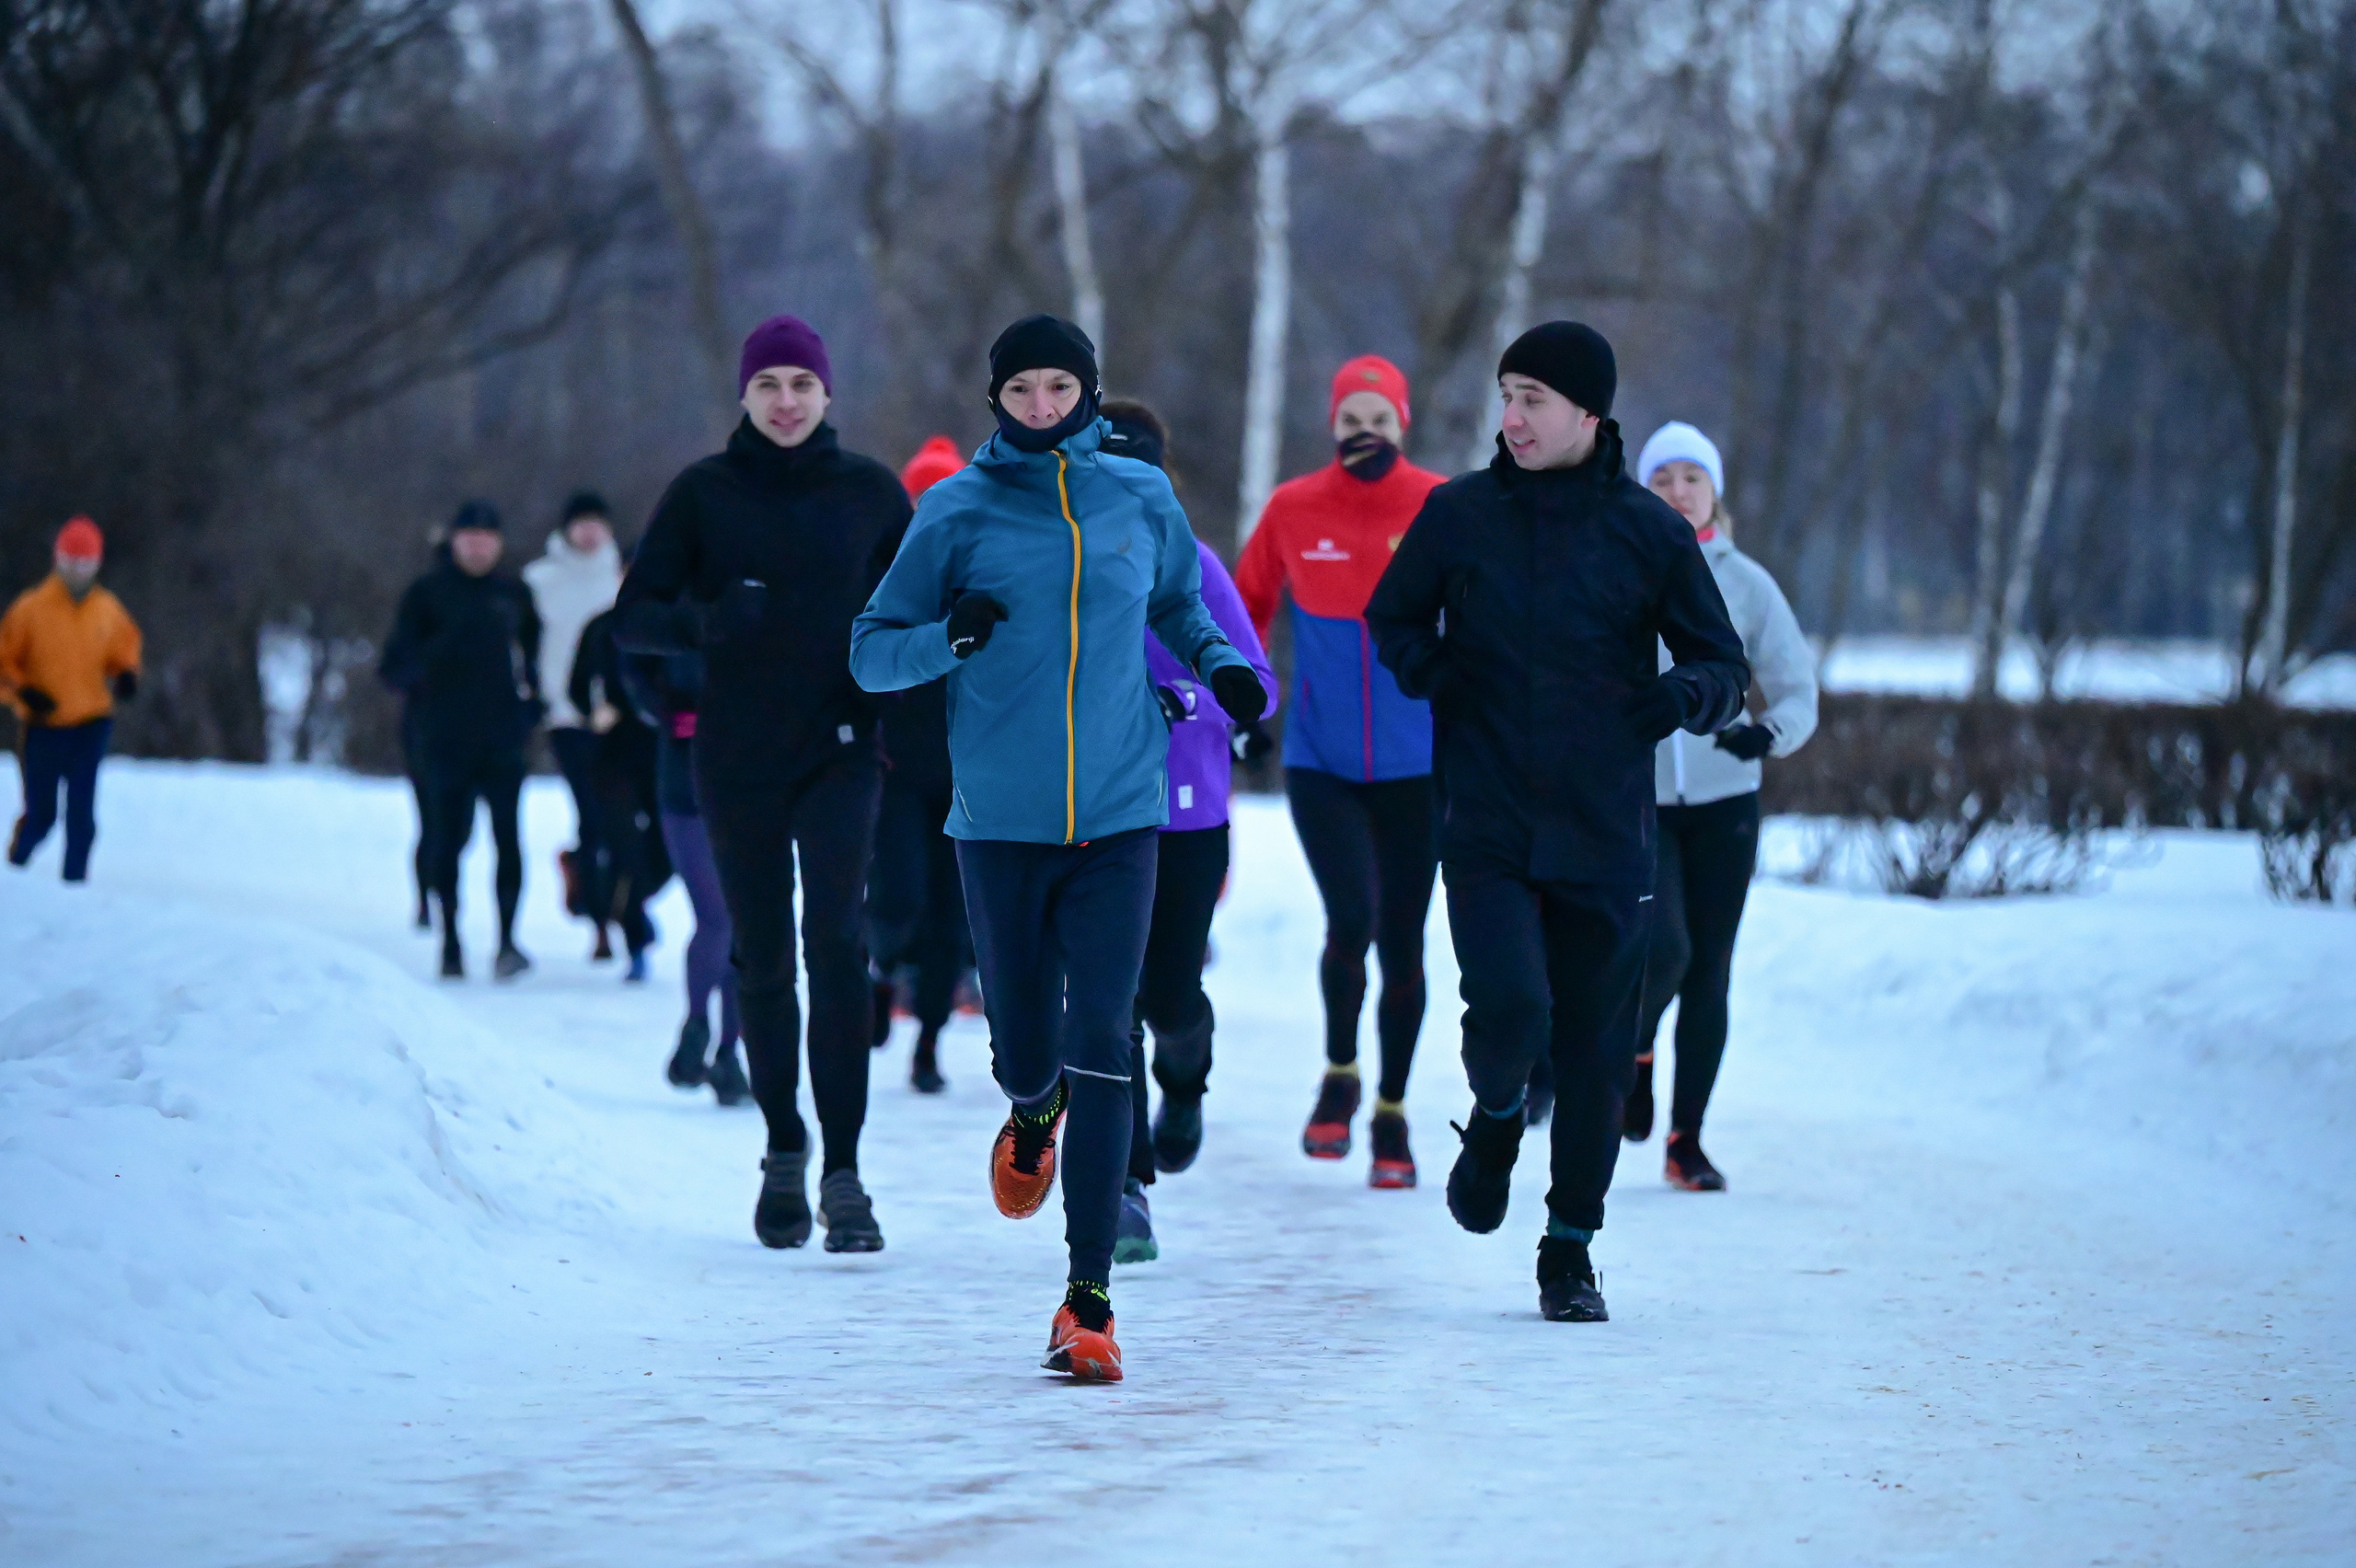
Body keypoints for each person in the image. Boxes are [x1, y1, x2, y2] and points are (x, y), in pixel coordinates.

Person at [850, 314, 1265, 1382]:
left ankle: (1088, 1302)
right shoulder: (954, 511)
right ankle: (1029, 1111)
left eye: (1060, 389)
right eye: (1022, 390)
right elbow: (870, 653)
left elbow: (1180, 604)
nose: (1043, 407)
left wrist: (1221, 668)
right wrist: (949, 639)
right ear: (996, 400)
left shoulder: (1140, 495)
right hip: (998, 822)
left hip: (1124, 816)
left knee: (1104, 1036)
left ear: (1089, 392)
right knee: (1028, 1050)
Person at [1366, 322, 1749, 1323]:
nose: (1513, 417)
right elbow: (1392, 617)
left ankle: (1569, 1248)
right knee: (1508, 1012)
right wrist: (1435, 675)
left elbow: (1720, 664)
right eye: (1506, 395)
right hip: (1487, 817)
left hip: (1604, 828)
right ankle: (1495, 1117)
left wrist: (1679, 700)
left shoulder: (1648, 531)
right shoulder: (1459, 517)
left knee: (1590, 1046)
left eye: (1534, 398)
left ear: (1589, 414)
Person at [614, 316, 909, 1255]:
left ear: (829, 394)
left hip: (840, 749)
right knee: (764, 957)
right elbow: (633, 619)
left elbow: (917, 611)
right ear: (743, 395)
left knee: (837, 943)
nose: (785, 401)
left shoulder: (869, 494)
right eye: (768, 384)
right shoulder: (703, 494)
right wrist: (704, 620)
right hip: (736, 756)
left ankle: (845, 1175)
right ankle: (785, 1147)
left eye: (801, 384)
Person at [1234, 355, 1446, 1187]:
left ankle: (1391, 1114)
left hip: (1418, 765)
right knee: (1349, 917)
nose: (1366, 434)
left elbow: (1485, 610)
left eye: (1380, 421)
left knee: (1402, 936)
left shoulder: (1437, 505)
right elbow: (1243, 608)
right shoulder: (1294, 507)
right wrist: (1249, 702)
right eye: (1352, 421)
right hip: (1321, 758)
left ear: (1404, 424)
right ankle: (1338, 1075)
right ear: (1333, 425)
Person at [1097, 398, 1277, 1267]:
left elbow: (1260, 684)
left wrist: (1189, 700)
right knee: (1107, 1000)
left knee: (1167, 995)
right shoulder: (1062, 560)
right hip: (1088, 814)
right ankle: (1125, 1189)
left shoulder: (1195, 565)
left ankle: (1187, 1076)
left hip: (1186, 813)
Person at [1624, 420, 1817, 1191]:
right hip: (1641, 798)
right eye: (1662, 478)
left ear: (1714, 492)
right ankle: (1635, 1055)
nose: (1677, 491)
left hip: (1726, 803)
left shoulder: (1747, 582)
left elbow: (1799, 690)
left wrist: (1764, 738)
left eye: (1690, 478)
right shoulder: (1623, 567)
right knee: (1662, 948)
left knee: (1710, 970)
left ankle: (1686, 1142)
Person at [379, 500, 544, 982]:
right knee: (449, 841)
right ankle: (450, 941)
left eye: (487, 537)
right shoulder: (427, 594)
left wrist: (531, 709)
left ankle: (508, 942)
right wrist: (429, 670)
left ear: (499, 543)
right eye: (469, 536)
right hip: (444, 738)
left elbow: (536, 659)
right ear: (452, 541)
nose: (478, 546)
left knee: (509, 840)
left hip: (503, 739)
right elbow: (394, 665)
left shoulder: (514, 595)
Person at [865, 435, 976, 1095]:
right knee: (899, 898)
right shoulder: (884, 574)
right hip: (897, 767)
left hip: (967, 772)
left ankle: (929, 1043)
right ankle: (881, 976)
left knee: (951, 918)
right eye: (919, 496)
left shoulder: (985, 567)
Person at [618, 641, 750, 1106]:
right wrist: (668, 709)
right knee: (721, 919)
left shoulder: (769, 588)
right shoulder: (673, 594)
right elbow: (630, 662)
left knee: (738, 923)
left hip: (756, 779)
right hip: (688, 776)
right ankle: (702, 1029)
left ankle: (727, 1050)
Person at [3, 515, 142, 883]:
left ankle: (74, 889)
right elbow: (4, 660)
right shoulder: (30, 609)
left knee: (81, 816)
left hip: (91, 722)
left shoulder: (107, 610)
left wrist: (127, 673)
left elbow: (124, 647)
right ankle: (14, 871)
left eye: (85, 562)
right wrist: (22, 690)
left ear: (97, 563)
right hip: (44, 726)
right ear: (57, 559)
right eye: (70, 561)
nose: (77, 570)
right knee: (41, 816)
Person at [524, 492, 625, 960]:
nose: (590, 532)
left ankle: (598, 889)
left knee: (618, 818)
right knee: (591, 811)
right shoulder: (540, 580)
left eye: (597, 523)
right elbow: (524, 644)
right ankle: (598, 918)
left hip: (620, 717)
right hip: (564, 714)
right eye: (580, 523)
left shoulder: (622, 575)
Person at [568, 603, 670, 983]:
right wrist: (595, 711)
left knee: (665, 851)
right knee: (625, 847)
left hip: (667, 752)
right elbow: (577, 686)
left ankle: (615, 899)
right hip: (613, 756)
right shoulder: (603, 626)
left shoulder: (680, 620)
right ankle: (635, 938)